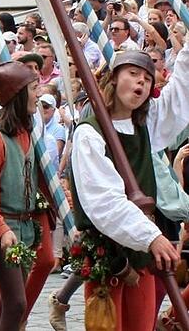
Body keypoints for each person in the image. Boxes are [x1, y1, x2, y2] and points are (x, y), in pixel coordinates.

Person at [72, 49, 189, 331]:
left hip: (141, 256)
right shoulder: (89, 133)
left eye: (148, 79)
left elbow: (180, 94)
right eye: (133, 74)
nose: (141, 83)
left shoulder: (145, 125)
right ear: (114, 78)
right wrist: (151, 237)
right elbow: (104, 202)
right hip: (110, 258)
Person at [0, 61, 54, 331]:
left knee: (12, 308)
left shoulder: (27, 132)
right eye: (33, 88)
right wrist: (1, 229)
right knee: (17, 304)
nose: (39, 93)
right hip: (2, 232)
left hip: (25, 231)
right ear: (18, 94)